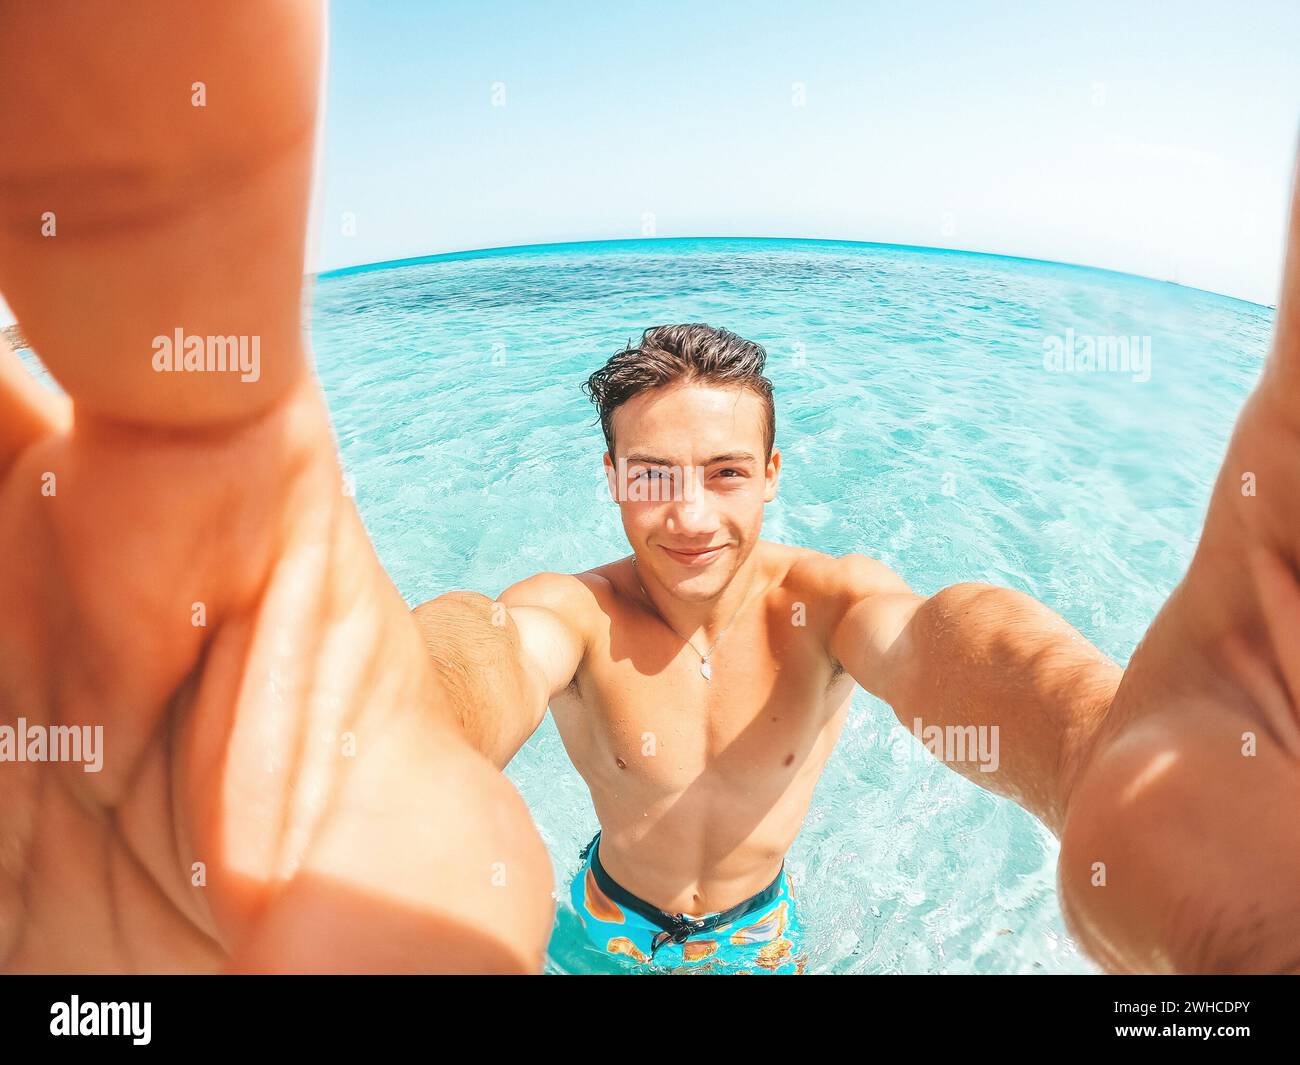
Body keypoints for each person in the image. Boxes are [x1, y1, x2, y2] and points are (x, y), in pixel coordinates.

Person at [2, 1, 1298, 977]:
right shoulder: (576, 614)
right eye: (653, 472)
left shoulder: (824, 610)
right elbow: (477, 654)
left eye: (727, 472)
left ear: (775, 475)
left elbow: (965, 648)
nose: (690, 513)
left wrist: (1099, 752)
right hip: (597, 933)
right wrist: (335, 744)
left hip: (762, 941)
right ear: (611, 474)